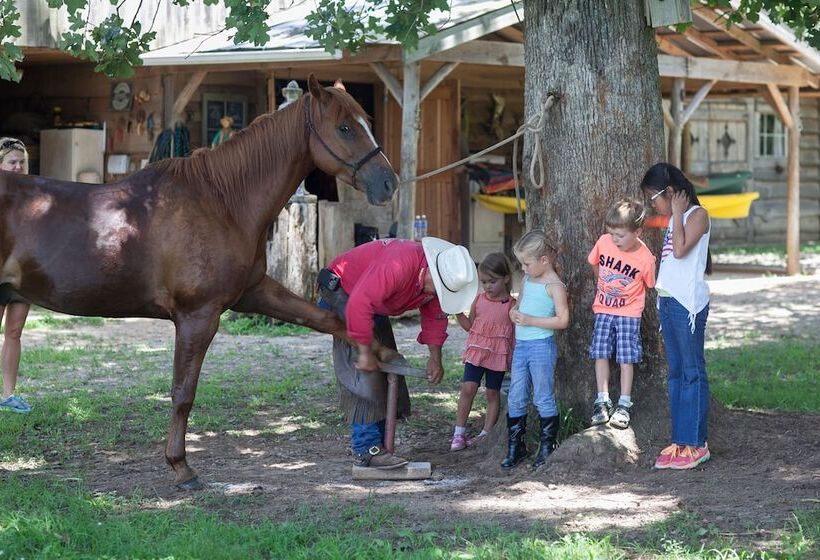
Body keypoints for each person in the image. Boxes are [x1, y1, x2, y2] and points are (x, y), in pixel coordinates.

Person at [318, 237, 478, 469]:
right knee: (366, 371)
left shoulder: (435, 284)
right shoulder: (399, 265)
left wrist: (435, 358)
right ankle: (367, 449)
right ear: (430, 271)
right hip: (343, 291)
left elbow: (434, 317)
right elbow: (359, 304)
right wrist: (364, 351)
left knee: (388, 362)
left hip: (371, 299)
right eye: (439, 290)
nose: (438, 296)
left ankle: (381, 444)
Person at [642, 162, 712, 470]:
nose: (651, 204)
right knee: (674, 374)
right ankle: (680, 440)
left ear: (670, 192)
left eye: (653, 197)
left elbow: (681, 251)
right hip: (668, 302)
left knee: (691, 372)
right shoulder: (675, 219)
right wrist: (674, 216)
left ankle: (697, 443)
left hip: (688, 305)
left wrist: (676, 214)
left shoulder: (697, 215)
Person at [587, 200, 656, 429]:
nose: (615, 239)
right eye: (612, 234)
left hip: (629, 313)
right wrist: (603, 286)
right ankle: (602, 400)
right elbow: (595, 263)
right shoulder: (604, 242)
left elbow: (649, 284)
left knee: (627, 357)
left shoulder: (646, 258)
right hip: (603, 309)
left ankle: (624, 404)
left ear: (637, 232)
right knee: (601, 353)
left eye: (620, 235)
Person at [503, 231, 569, 469]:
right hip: (521, 346)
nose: (522, 268)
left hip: (541, 346)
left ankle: (547, 446)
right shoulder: (527, 281)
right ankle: (516, 446)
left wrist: (530, 320)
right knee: (516, 395)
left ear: (544, 260)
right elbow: (518, 306)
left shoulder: (555, 286)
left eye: (526, 263)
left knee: (542, 395)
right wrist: (514, 313)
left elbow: (562, 320)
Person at [450, 253, 515, 451]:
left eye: (492, 281)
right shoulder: (479, 300)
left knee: (492, 393)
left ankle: (485, 434)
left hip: (497, 355)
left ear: (505, 278)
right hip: (477, 353)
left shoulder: (512, 306)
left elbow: (514, 335)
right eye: (484, 282)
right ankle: (458, 433)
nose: (487, 286)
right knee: (467, 388)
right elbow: (470, 326)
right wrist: (456, 312)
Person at [0, 137, 32, 414]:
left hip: (23, 273)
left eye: (22, 162)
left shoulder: (31, 195)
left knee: (14, 332)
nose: (18, 167)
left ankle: (9, 396)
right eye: (12, 162)